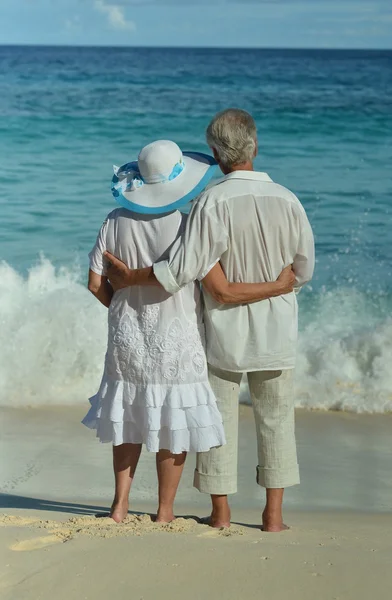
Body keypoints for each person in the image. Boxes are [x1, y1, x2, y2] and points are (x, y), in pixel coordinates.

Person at [105, 110, 315, 532]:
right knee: (276, 421)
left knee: (217, 420)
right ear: (255, 147)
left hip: (222, 331)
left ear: (217, 155)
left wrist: (129, 278)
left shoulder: (210, 202)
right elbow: (302, 272)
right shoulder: (290, 200)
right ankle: (273, 517)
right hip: (277, 332)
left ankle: (221, 513)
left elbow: (181, 269)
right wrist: (276, 285)